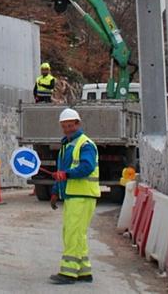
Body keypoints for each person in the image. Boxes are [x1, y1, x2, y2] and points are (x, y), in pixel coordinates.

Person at [49, 107, 99, 285]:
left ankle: (68, 273)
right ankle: (84, 271)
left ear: (78, 124)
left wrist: (67, 175)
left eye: (70, 125)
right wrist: (56, 191)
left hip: (82, 195)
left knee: (72, 234)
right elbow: (60, 171)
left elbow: (87, 167)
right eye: (64, 126)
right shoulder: (67, 145)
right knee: (77, 233)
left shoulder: (85, 144)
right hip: (74, 195)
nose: (67, 129)